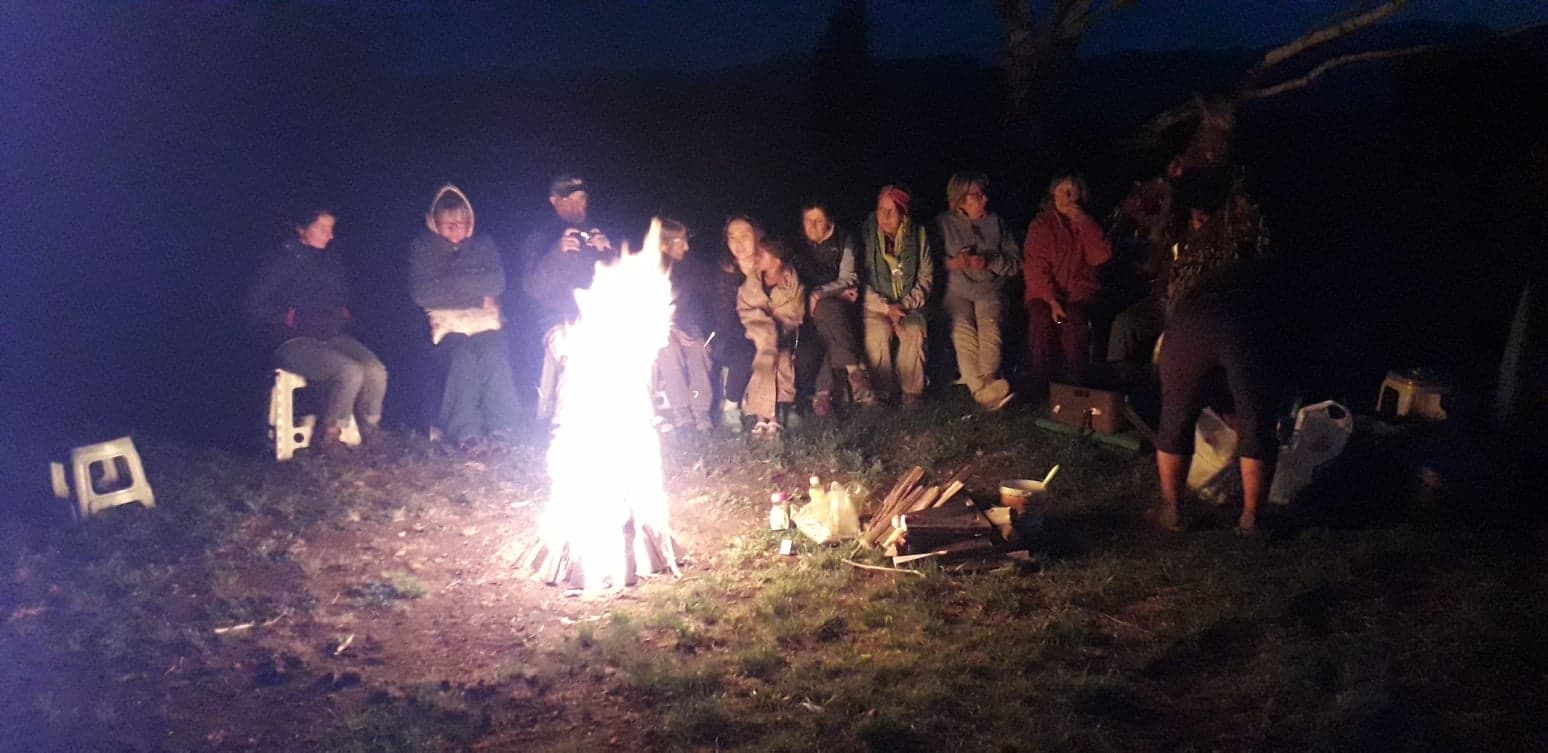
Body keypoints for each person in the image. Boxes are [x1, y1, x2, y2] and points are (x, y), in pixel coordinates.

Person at [1150, 262, 1284, 535]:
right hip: (1244, 326)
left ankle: (1172, 510)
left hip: (1188, 325)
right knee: (1255, 420)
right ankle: (1252, 518)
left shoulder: (1208, 277)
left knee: (1175, 416)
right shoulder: (1277, 288)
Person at [246, 208, 387, 457]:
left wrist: (343, 313)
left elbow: (343, 295)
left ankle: (371, 429)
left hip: (332, 335)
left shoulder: (330, 260)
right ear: (303, 229)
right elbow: (255, 306)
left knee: (375, 370)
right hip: (292, 341)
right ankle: (330, 435)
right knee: (349, 371)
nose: (330, 235)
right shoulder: (282, 260)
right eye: (323, 228)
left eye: (331, 228)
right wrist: (288, 317)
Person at [409, 184, 521, 452]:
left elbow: (496, 283)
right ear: (435, 223)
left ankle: (500, 426)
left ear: (469, 222)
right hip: (444, 327)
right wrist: (474, 294)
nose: (455, 229)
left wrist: (449, 282)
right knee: (462, 355)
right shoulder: (423, 248)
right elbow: (423, 293)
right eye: (448, 224)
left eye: (460, 223)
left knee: (494, 350)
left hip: (484, 322)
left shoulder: (483, 244)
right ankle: (465, 430)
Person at [521, 175, 617, 423]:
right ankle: (566, 423)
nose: (578, 206)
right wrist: (558, 253)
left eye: (582, 198)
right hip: (556, 318)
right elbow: (534, 288)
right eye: (570, 199)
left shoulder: (596, 232)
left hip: (596, 316)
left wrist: (608, 252)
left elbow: (619, 282)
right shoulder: (539, 237)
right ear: (554, 201)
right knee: (576, 349)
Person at [933, 172, 1020, 411]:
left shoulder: (996, 223)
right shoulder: (942, 224)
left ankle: (988, 381)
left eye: (984, 194)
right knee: (962, 330)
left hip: (989, 288)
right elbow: (929, 262)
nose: (984, 199)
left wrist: (990, 261)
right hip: (956, 289)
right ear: (960, 200)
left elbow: (1014, 263)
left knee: (989, 325)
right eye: (977, 195)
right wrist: (954, 263)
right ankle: (980, 388)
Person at [1022, 173, 1113, 399]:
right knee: (1041, 320)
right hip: (1044, 296)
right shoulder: (1042, 225)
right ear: (1053, 194)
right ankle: (1041, 385)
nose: (1067, 196)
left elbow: (1101, 256)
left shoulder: (1087, 223)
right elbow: (1035, 268)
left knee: (1074, 324)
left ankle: (1075, 387)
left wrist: (1082, 221)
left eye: (1072, 191)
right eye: (1062, 190)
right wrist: (1052, 300)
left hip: (1078, 295)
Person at [791, 198, 874, 415]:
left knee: (828, 313)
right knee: (828, 318)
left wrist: (821, 293)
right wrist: (811, 296)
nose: (812, 226)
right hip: (808, 307)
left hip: (839, 304)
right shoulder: (797, 243)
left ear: (829, 221)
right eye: (808, 221)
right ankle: (856, 373)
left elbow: (849, 277)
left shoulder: (845, 239)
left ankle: (822, 395)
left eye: (818, 221)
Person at [860, 185, 933, 407]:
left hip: (908, 304)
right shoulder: (866, 234)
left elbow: (926, 278)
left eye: (891, 210)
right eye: (881, 209)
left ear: (903, 213)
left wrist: (904, 305)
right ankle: (881, 392)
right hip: (875, 305)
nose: (885, 216)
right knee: (877, 330)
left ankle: (911, 393)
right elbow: (860, 281)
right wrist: (885, 308)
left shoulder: (918, 235)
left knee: (913, 330)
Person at [737, 237, 807, 436]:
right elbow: (745, 308)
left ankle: (768, 416)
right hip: (755, 334)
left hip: (783, 335)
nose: (756, 257)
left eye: (762, 254)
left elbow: (795, 314)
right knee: (766, 353)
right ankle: (766, 417)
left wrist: (777, 331)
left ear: (776, 261)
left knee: (778, 356)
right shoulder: (752, 282)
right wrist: (764, 327)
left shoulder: (794, 285)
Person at [655, 219, 715, 433]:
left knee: (697, 346)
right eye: (681, 241)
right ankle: (681, 410)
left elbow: (696, 306)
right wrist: (672, 329)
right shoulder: (649, 268)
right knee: (666, 349)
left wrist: (693, 330)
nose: (687, 247)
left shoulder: (691, 268)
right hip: (660, 326)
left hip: (688, 323)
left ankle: (700, 411)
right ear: (664, 244)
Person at [711, 216, 761, 431]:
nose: (738, 243)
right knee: (745, 346)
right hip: (730, 336)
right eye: (732, 237)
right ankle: (730, 407)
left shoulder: (770, 266)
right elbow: (724, 316)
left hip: (766, 329)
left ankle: (780, 406)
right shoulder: (724, 272)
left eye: (745, 236)